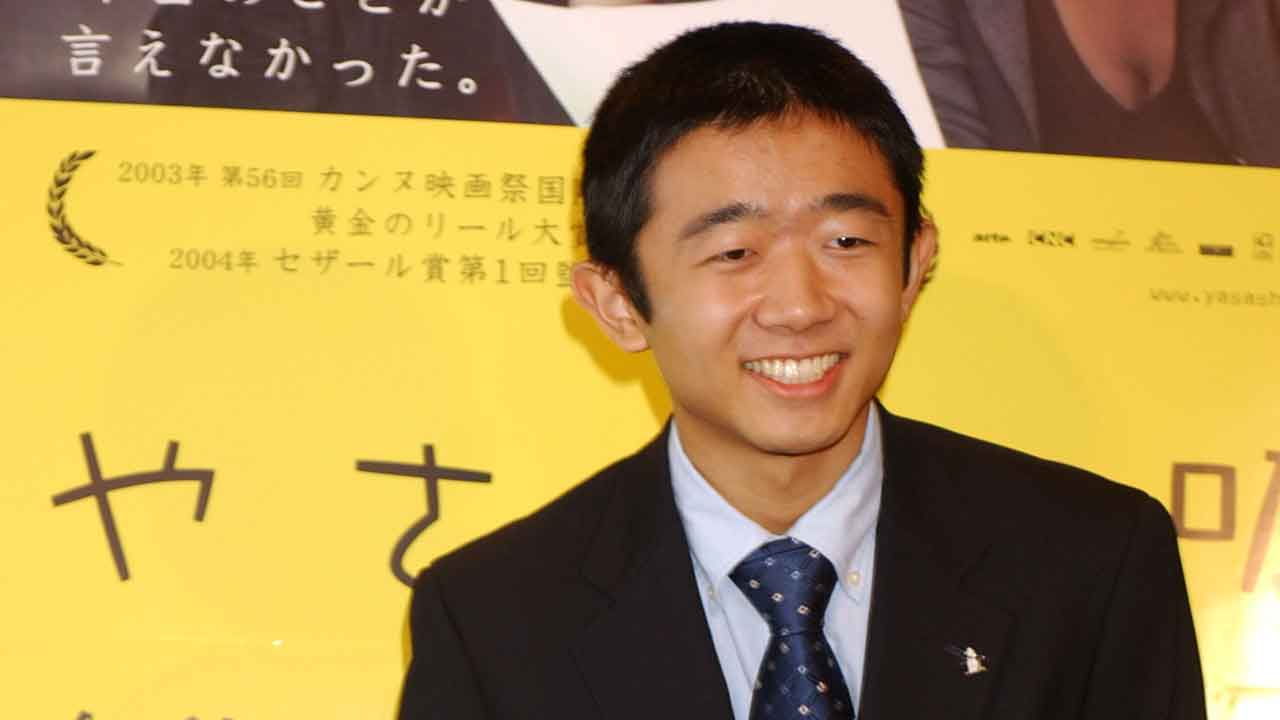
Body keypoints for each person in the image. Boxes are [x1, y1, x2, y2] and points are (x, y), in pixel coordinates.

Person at [397, 21, 1206, 720]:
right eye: (733, 252)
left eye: (845, 242)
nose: (798, 305)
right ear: (617, 304)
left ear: (914, 264)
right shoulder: (492, 618)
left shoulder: (1092, 562)